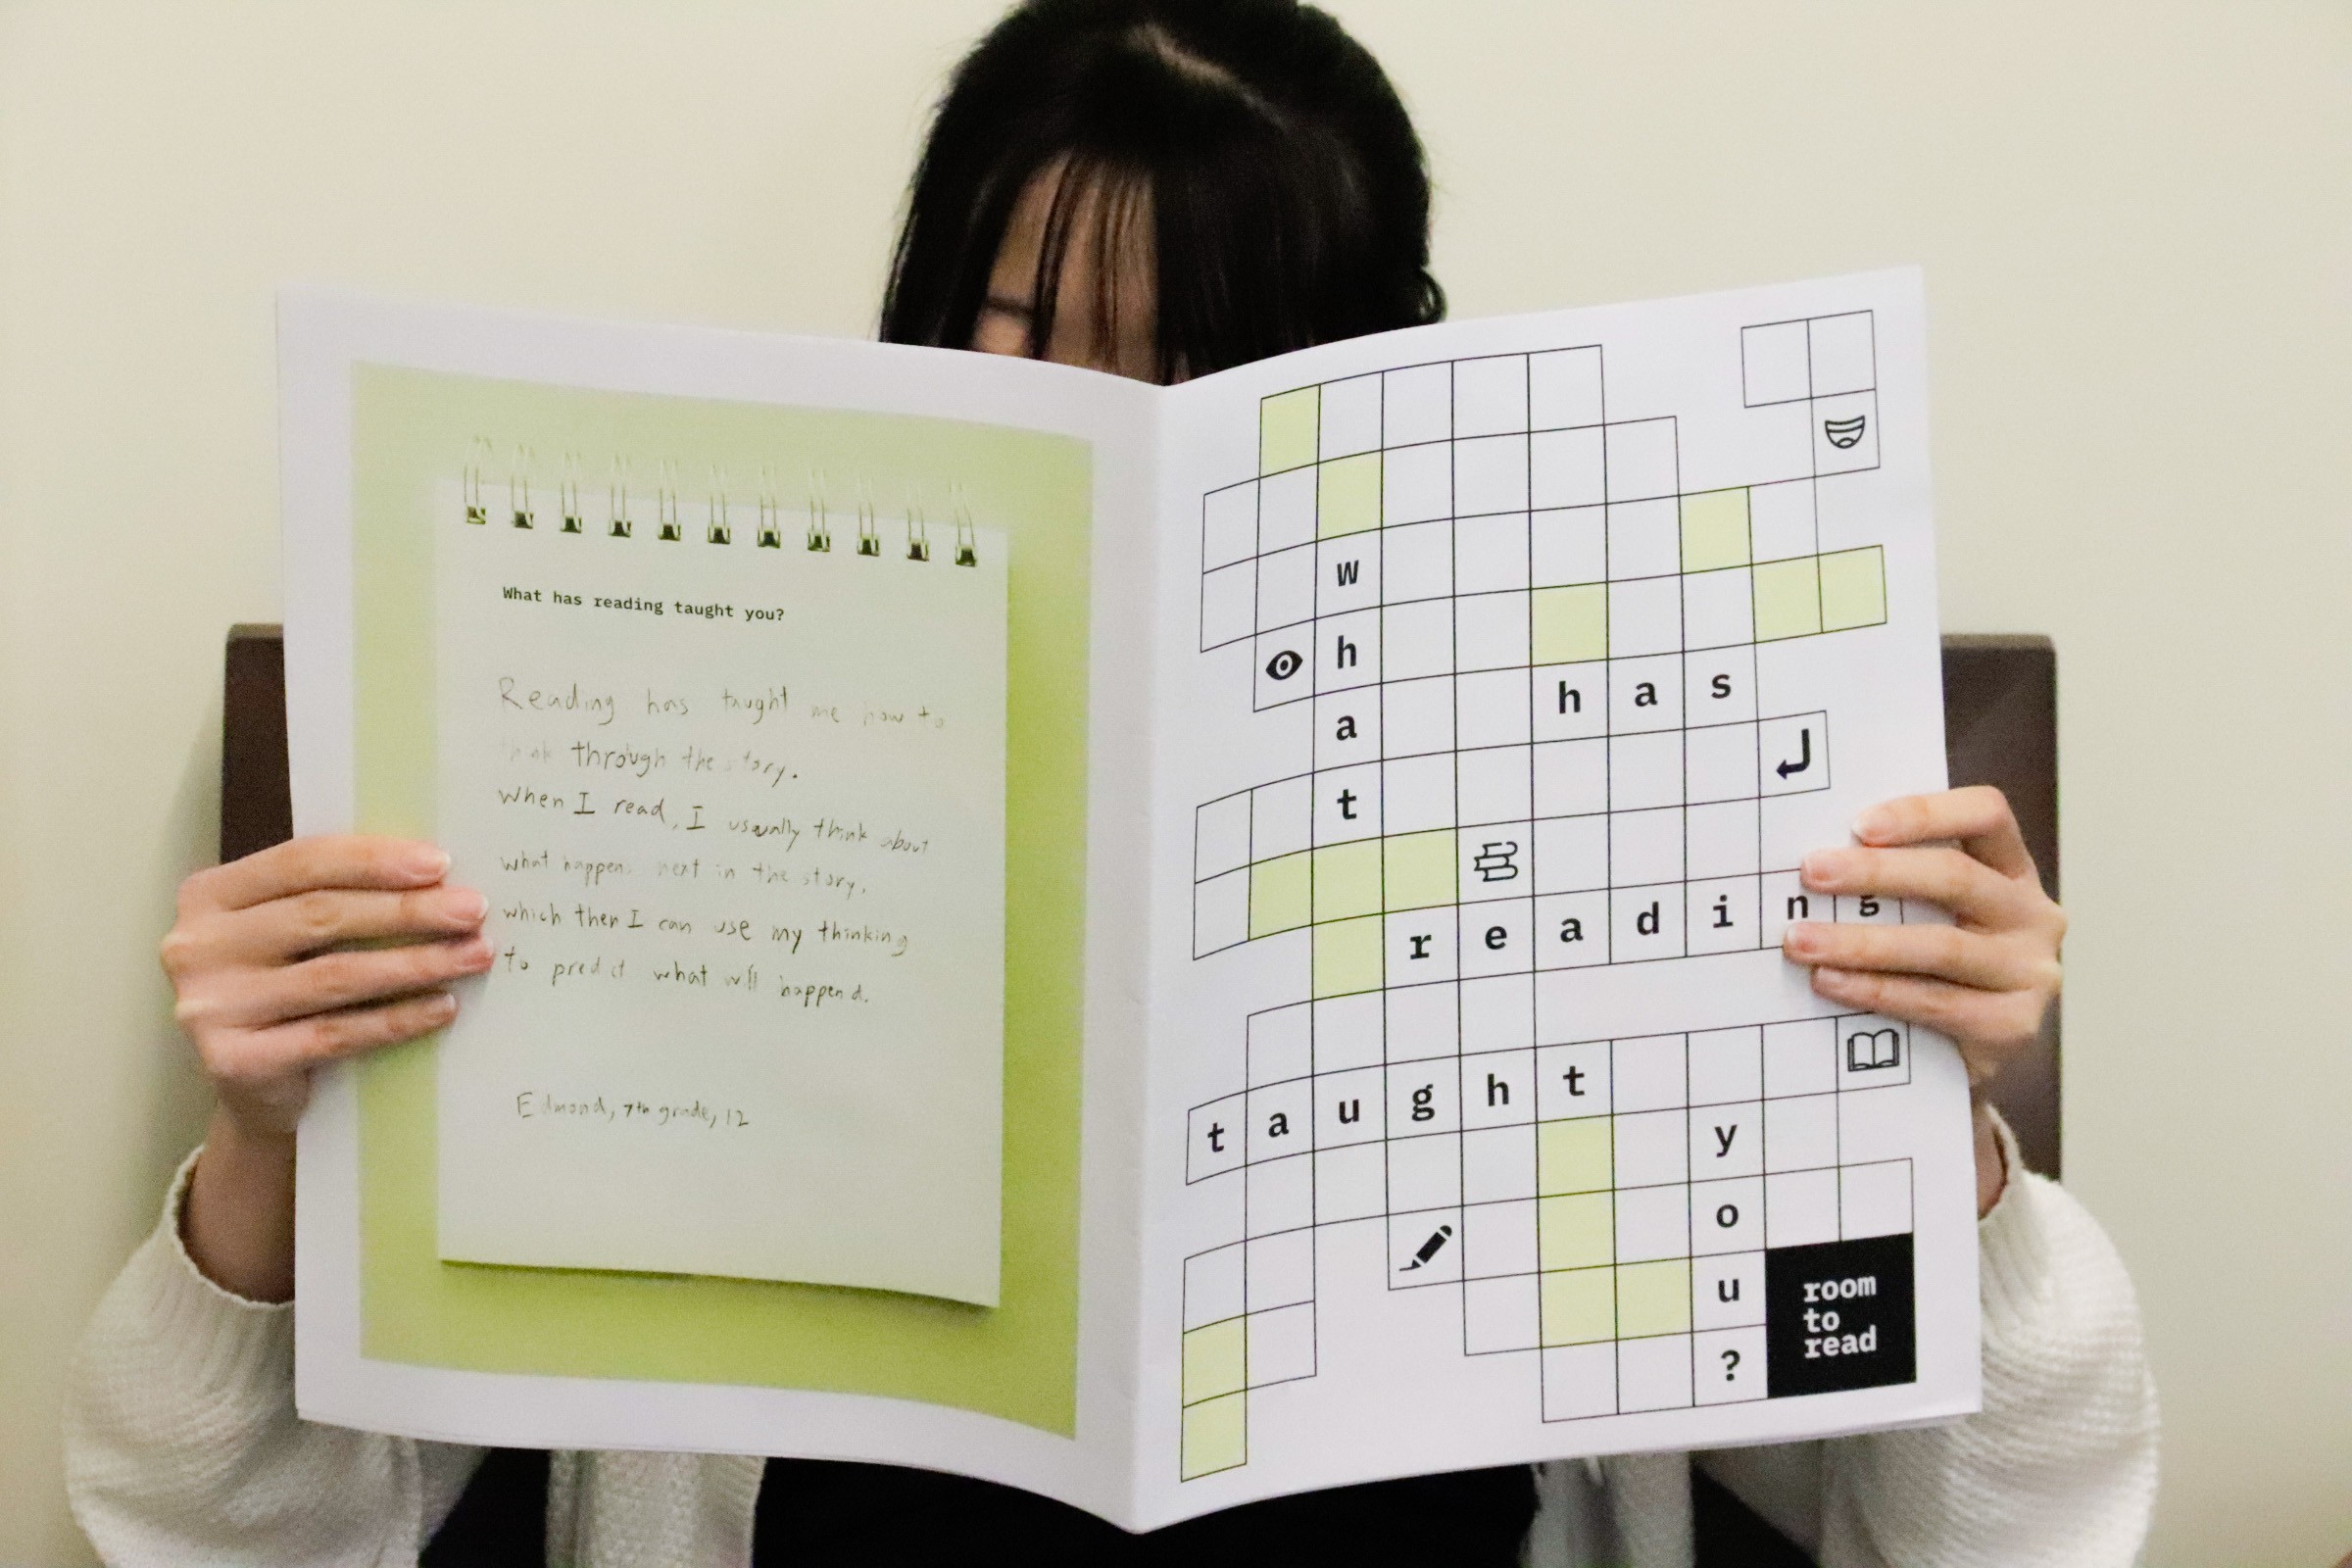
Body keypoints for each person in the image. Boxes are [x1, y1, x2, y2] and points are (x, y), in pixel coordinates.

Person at [65, 2, 2156, 1563]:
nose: (1111, 433)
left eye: (1218, 368)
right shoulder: (628, 722)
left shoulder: (1605, 746)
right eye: (1018, 338)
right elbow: (235, 1537)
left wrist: (1938, 1125)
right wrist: (268, 1154)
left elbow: (2002, 1530)